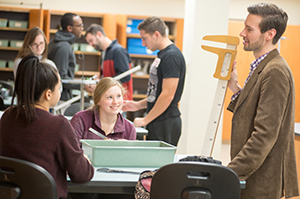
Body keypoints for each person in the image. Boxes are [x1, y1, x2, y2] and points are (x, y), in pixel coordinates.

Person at [227, 3, 298, 199]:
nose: (242, 33)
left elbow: (264, 135)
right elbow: (257, 108)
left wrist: (229, 172)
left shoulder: (275, 70)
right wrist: (236, 89)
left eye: (249, 29)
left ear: (269, 34)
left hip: (263, 177)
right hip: (254, 173)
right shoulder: (263, 66)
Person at [0, 55, 94, 199]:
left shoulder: (7, 117)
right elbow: (82, 175)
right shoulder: (58, 125)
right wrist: (85, 161)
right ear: (48, 94)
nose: (60, 91)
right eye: (58, 88)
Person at [122, 16, 186, 146]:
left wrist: (146, 119)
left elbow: (168, 95)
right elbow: (157, 94)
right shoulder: (163, 55)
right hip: (157, 120)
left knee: (162, 165)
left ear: (156, 34)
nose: (143, 44)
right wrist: (137, 105)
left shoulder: (171, 56)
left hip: (165, 122)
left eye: (144, 38)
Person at [70, 77, 136, 145]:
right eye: (109, 97)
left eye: (118, 96)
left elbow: (132, 155)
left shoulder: (130, 129)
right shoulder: (80, 120)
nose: (115, 102)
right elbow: (71, 153)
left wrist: (123, 149)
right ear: (98, 100)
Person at [84, 24, 133, 101]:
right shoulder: (104, 53)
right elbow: (107, 75)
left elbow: (125, 76)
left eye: (91, 40)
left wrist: (100, 84)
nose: (90, 44)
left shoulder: (118, 51)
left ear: (99, 34)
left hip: (118, 101)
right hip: (108, 99)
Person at [48, 12, 83, 101]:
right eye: (80, 25)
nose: (82, 28)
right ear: (69, 28)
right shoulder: (63, 46)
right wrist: (83, 85)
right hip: (60, 98)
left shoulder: (57, 42)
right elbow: (61, 78)